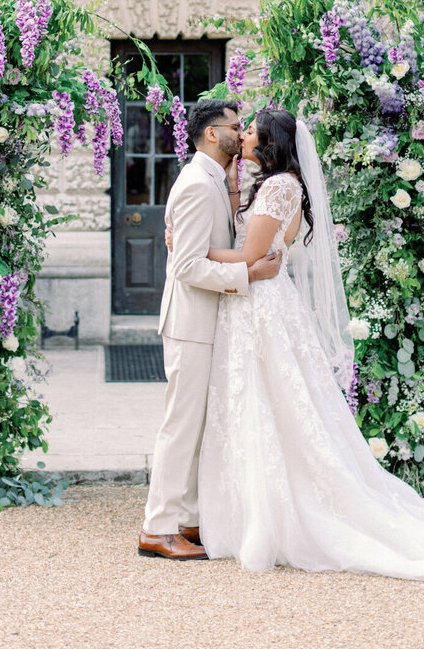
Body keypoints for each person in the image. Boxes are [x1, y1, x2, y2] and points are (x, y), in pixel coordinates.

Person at [185, 107, 424, 589]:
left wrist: (189, 248)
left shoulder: (280, 186)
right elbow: (257, 247)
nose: (241, 136)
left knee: (268, 403)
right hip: (259, 304)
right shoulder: (275, 183)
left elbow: (247, 257)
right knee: (262, 404)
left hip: (259, 307)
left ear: (269, 144)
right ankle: (246, 509)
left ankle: (269, 516)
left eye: (250, 132)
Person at [138, 99, 283, 561]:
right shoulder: (199, 184)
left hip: (207, 320)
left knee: (197, 428)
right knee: (180, 427)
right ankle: (157, 528)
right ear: (210, 135)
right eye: (235, 128)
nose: (241, 135)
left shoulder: (216, 180)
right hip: (190, 323)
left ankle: (187, 519)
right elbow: (187, 267)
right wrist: (249, 276)